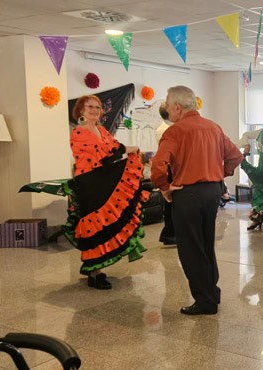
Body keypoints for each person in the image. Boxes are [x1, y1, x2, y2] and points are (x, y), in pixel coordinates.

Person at [151, 86, 243, 315]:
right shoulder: (213, 127)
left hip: (187, 194)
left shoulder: (175, 131)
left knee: (191, 249)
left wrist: (164, 186)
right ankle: (212, 292)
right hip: (212, 192)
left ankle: (205, 301)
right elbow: (235, 156)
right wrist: (220, 175)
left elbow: (158, 165)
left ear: (177, 108)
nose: (169, 112)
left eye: (169, 107)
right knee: (205, 244)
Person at [67, 95, 148, 290]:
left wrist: (128, 153)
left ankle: (99, 269)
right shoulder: (78, 132)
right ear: (80, 111)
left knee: (106, 221)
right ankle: (94, 271)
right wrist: (130, 148)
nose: (95, 110)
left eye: (98, 107)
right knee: (95, 224)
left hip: (102, 180)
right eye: (90, 107)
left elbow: (112, 149)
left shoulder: (102, 130)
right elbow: (105, 151)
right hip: (89, 183)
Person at [155, 104, 175, 246]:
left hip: (170, 168)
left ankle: (170, 233)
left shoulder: (166, 128)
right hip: (170, 168)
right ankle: (169, 233)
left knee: (172, 204)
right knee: (171, 204)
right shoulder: (167, 130)